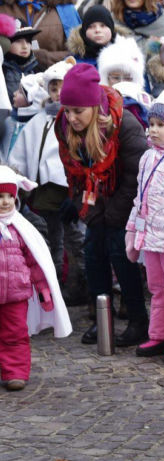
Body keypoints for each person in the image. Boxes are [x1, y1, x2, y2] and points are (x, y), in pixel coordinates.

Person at [55, 64, 148, 348]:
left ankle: (137, 320)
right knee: (93, 254)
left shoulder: (124, 125)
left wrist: (114, 214)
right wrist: (86, 209)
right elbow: (74, 175)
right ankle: (101, 318)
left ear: (94, 107)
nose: (71, 118)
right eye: (67, 111)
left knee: (121, 254)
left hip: (124, 199)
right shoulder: (64, 127)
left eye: (78, 111)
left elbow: (135, 175)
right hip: (94, 199)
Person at [7, 59, 85, 306]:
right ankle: (55, 284)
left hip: (69, 189)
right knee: (51, 237)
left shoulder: (75, 118)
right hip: (44, 191)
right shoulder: (41, 119)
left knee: (75, 237)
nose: (58, 93)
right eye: (53, 88)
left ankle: (83, 282)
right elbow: (22, 152)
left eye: (62, 87)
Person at [125, 91, 164, 365]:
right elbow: (139, 197)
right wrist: (132, 230)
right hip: (150, 237)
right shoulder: (147, 157)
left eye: (162, 125)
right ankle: (160, 334)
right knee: (156, 288)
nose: (154, 130)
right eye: (151, 124)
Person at [0, 165, 71, 391]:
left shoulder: (22, 229)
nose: (5, 202)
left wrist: (43, 289)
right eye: (0, 197)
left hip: (16, 294)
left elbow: (35, 261)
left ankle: (15, 372)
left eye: (9, 196)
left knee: (15, 333)